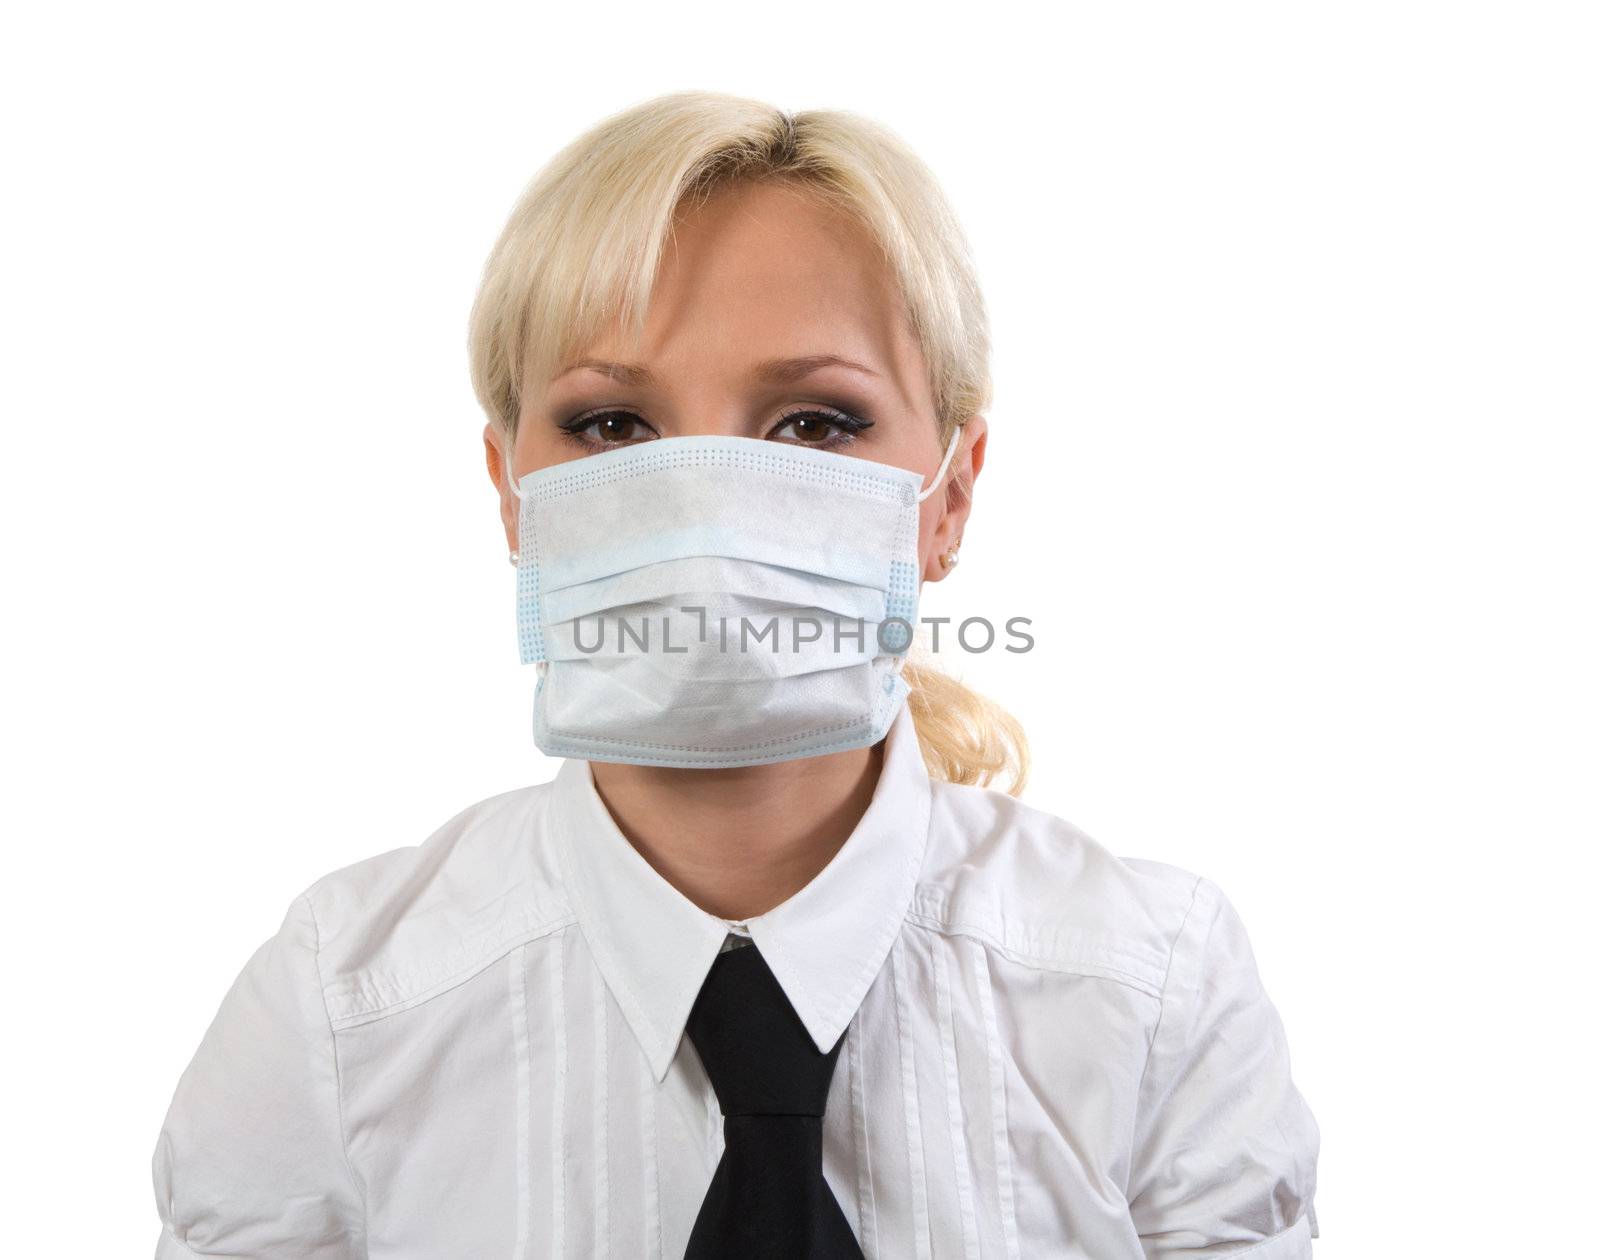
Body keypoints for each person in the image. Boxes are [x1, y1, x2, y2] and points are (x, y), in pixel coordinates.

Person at [151, 90, 1320, 1259]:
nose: (706, 508)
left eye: (814, 423)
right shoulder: (341, 1012)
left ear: (948, 495)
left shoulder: (1153, 991)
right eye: (612, 425)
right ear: (513, 491)